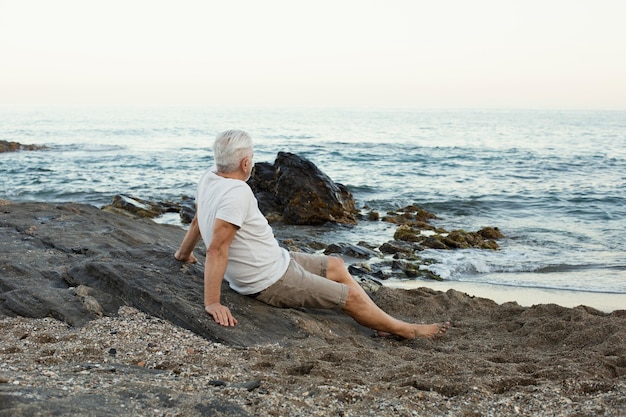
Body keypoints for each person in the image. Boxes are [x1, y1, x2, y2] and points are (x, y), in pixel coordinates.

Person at [175, 129, 449, 339]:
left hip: (277, 259)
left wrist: (183, 254)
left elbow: (199, 219)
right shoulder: (237, 192)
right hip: (270, 280)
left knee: (337, 265)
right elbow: (217, 249)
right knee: (349, 296)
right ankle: (405, 330)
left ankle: (381, 321)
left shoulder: (209, 176)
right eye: (253, 158)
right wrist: (212, 302)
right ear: (246, 163)